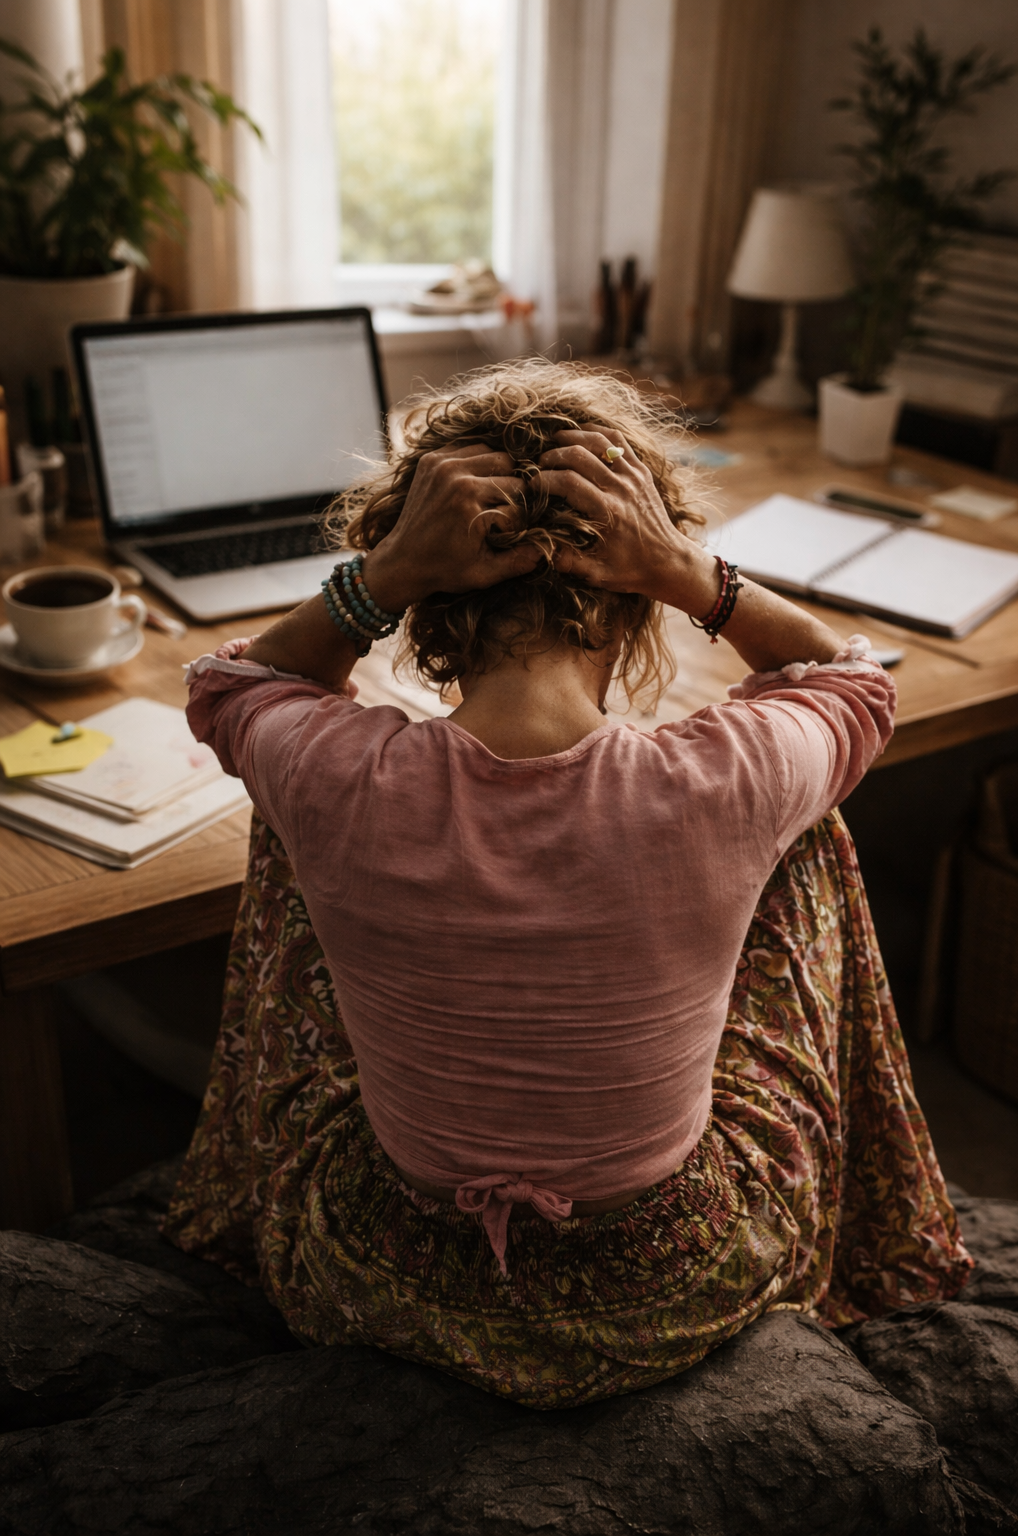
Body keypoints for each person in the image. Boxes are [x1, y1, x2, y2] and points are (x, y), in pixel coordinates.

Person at [165, 360, 970, 1410]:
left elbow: (232, 690)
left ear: (429, 618)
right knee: (805, 826)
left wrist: (387, 575)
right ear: (632, 607)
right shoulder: (722, 776)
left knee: (291, 816)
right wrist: (691, 572)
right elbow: (855, 684)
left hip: (381, 1279)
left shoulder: (338, 772)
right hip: (669, 1293)